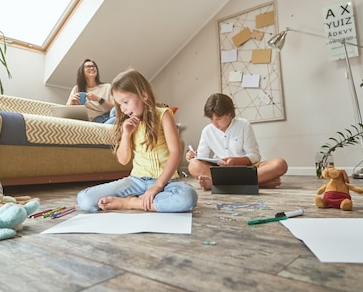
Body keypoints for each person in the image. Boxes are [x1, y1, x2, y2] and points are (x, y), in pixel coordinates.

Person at [77, 69, 198, 212]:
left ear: (144, 95)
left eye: (126, 102)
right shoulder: (128, 123)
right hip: (136, 180)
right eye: (119, 105)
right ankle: (147, 202)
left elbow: (175, 152)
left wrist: (157, 186)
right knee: (85, 199)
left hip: (166, 182)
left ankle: (129, 203)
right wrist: (126, 135)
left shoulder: (164, 115)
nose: (123, 109)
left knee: (188, 197)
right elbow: (123, 160)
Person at [186, 93, 288, 191]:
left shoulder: (243, 125)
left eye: (218, 119)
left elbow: (255, 156)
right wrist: (192, 157)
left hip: (246, 169)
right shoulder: (207, 131)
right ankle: (257, 183)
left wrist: (235, 161)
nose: (214, 123)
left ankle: (219, 184)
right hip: (221, 171)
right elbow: (201, 158)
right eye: (211, 119)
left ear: (229, 113)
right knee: (193, 166)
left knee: (280, 164)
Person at [66, 59, 115, 123]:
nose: (92, 68)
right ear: (82, 71)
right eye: (88, 67)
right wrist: (72, 102)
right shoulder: (77, 88)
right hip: (87, 120)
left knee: (115, 118)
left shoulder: (107, 87)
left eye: (94, 66)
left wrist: (98, 99)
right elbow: (66, 111)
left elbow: (115, 109)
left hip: (105, 118)